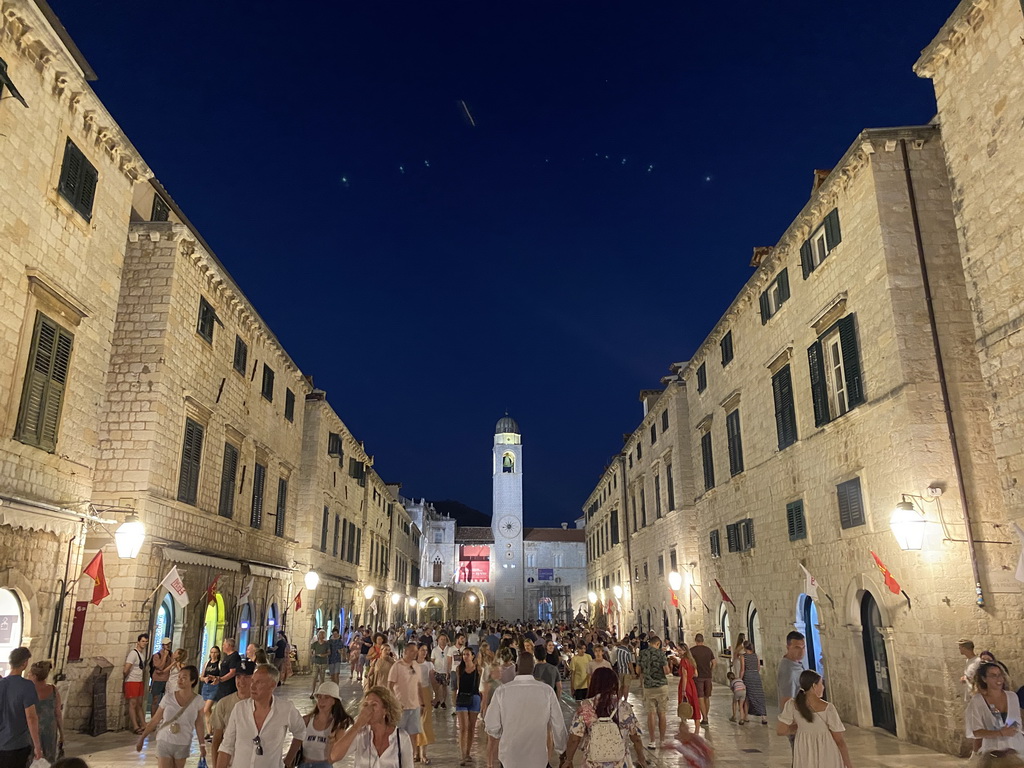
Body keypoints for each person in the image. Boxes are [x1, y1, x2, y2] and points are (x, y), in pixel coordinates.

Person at [484, 651, 567, 768]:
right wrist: (561, 749)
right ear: (533, 669)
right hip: (538, 758)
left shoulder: (502, 691)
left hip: (510, 757)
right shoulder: (547, 691)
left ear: (516, 667)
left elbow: (491, 725)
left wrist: (503, 734)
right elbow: (558, 724)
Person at [217, 664, 304, 768]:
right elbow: (227, 746)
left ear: (272, 685)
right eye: (253, 681)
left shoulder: (285, 709)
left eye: (259, 682)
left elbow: (300, 731)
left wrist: (288, 760)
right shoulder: (240, 709)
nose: (252, 686)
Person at [561, 667, 647, 768]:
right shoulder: (624, 707)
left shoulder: (586, 707)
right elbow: (636, 737)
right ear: (615, 684)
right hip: (620, 762)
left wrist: (569, 760)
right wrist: (641, 759)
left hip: (592, 763)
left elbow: (574, 738)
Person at [777, 670, 853, 768]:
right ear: (814, 686)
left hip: (803, 749)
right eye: (821, 684)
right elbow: (839, 741)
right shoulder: (828, 708)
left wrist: (799, 728)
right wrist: (848, 764)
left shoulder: (792, 705)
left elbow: (781, 731)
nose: (823, 687)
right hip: (827, 750)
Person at [137, 665, 206, 768]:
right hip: (164, 739)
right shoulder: (168, 697)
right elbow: (156, 719)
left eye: (184, 677)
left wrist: (202, 745)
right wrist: (142, 737)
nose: (180, 680)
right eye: (179, 677)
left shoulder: (198, 700)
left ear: (193, 680)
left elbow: (199, 723)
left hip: (183, 742)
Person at [329, 686, 414, 768]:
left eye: (374, 705)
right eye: (366, 705)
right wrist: (358, 725)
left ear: (385, 710)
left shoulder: (402, 738)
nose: (368, 709)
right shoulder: (360, 734)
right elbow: (334, 756)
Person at [965, 661, 1024, 759]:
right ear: (984, 679)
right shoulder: (978, 701)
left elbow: (1017, 723)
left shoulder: (1012, 696)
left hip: (1017, 749)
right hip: (993, 751)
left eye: (1000, 675)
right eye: (993, 676)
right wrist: (1000, 733)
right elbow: (975, 732)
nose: (998, 679)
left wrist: (1013, 728)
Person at [291, 681, 353, 768]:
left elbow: (334, 756)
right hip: (303, 764)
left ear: (334, 701)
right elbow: (296, 743)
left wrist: (332, 739)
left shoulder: (338, 726)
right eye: (319, 697)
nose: (321, 701)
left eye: (326, 697)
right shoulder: (307, 720)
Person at [0, 647, 43, 767]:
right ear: (24, 663)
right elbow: (31, 717)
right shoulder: (27, 686)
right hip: (17, 745)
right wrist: (37, 746)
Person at [209, 663, 253, 768]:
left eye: (246, 677)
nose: (241, 681)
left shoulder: (261, 703)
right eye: (238, 677)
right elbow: (217, 739)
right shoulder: (224, 703)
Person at [386, 643, 423, 749]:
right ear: (406, 652)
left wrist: (422, 703)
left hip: (415, 706)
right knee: (397, 735)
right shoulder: (397, 666)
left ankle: (411, 758)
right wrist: (395, 702)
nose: (415, 654)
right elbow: (390, 685)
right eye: (412, 651)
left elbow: (419, 685)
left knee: (413, 734)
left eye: (416, 651)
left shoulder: (416, 665)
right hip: (401, 707)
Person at [638, 634, 670, 749]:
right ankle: (662, 741)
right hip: (661, 686)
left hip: (648, 687)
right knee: (662, 713)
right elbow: (666, 671)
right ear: (657, 644)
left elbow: (638, 670)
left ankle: (652, 741)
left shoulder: (642, 653)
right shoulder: (661, 653)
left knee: (650, 713)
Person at [28, 659, 64, 763]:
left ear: (34, 676)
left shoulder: (28, 691)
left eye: (30, 673)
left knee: (31, 759)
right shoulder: (53, 690)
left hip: (32, 730)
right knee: (48, 759)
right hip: (49, 730)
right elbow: (58, 713)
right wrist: (61, 733)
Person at [454, 647, 482, 765]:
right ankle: (463, 754)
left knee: (471, 727)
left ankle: (468, 753)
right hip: (462, 698)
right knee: (463, 727)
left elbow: (479, 684)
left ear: (472, 656)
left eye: (467, 654)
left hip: (474, 697)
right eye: (464, 654)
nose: (465, 656)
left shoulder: (478, 669)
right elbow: (458, 685)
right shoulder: (459, 669)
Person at [778, 631, 807, 733]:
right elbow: (786, 701)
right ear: (788, 647)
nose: (801, 651)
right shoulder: (788, 670)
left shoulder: (796, 664)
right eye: (797, 648)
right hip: (797, 725)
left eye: (803, 647)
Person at [414, 644, 435, 764]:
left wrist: (438, 695)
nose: (424, 652)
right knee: (415, 724)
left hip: (426, 693)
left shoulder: (429, 665)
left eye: (426, 650)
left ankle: (423, 753)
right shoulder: (412, 665)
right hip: (414, 695)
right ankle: (416, 753)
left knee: (424, 724)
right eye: (422, 650)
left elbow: (432, 680)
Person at [689, 634, 716, 727]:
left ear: (695, 640)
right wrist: (710, 671)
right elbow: (714, 663)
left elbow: (689, 663)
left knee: (700, 696)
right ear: (703, 640)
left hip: (698, 677)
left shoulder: (692, 651)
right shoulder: (708, 650)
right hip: (708, 676)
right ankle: (706, 716)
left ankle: (704, 718)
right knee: (707, 696)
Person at [739, 640, 768, 726]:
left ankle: (746, 716)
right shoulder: (756, 656)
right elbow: (758, 668)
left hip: (748, 676)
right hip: (756, 676)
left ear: (744, 647)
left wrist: (740, 680)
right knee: (759, 696)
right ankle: (763, 717)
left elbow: (742, 669)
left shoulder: (743, 657)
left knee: (747, 696)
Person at [676, 643, 701, 734]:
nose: (678, 652)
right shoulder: (692, 660)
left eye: (680, 650)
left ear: (685, 651)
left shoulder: (683, 661)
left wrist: (683, 690)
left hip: (685, 684)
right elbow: (696, 674)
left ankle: (684, 729)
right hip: (692, 684)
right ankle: (697, 730)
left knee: (683, 706)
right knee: (694, 704)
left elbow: (685, 676)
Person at [200, 646, 222, 738]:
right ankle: (209, 731)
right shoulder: (206, 663)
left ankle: (213, 727)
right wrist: (204, 678)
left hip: (215, 687)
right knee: (206, 711)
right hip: (206, 686)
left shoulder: (219, 664)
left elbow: (221, 676)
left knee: (206, 709)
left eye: (215, 652)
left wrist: (215, 679)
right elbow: (201, 676)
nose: (213, 654)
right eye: (212, 652)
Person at [213, 638, 242, 703]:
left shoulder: (234, 657)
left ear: (228, 646)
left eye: (224, 644)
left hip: (228, 687)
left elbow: (232, 672)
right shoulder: (227, 656)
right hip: (222, 687)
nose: (222, 646)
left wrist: (221, 679)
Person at [151, 639, 174, 710]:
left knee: (165, 700)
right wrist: (164, 656)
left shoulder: (171, 655)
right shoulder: (157, 655)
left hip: (167, 679)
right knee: (155, 699)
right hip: (158, 680)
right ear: (163, 645)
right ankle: (153, 718)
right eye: (167, 644)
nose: (168, 646)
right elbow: (160, 667)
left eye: (169, 644)